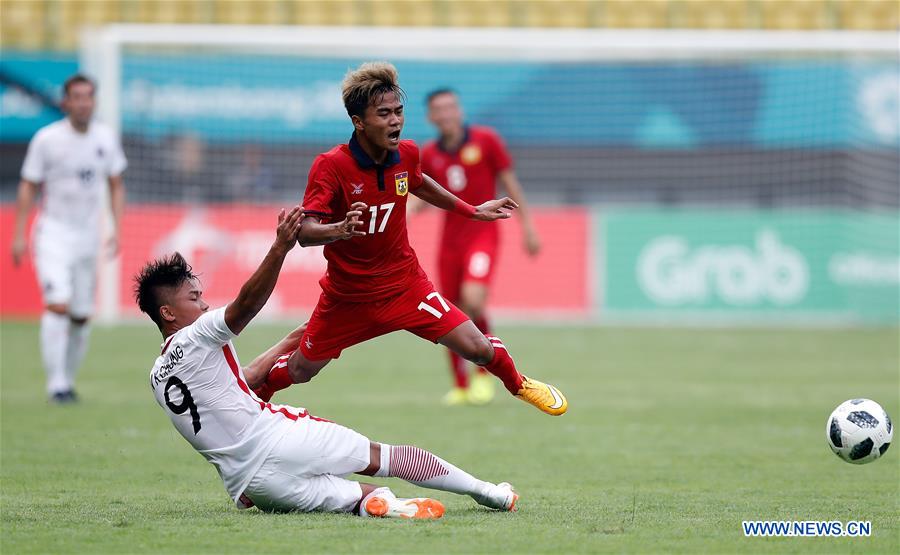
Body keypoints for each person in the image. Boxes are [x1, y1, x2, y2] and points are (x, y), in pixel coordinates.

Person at [135, 207, 518, 517]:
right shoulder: (199, 335)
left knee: (364, 495)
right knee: (383, 458)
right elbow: (247, 305)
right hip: (281, 442)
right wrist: (280, 247)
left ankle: (384, 506)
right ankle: (488, 492)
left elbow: (244, 381)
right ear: (168, 312)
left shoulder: (158, 375)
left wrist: (309, 331)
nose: (203, 304)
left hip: (254, 486)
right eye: (194, 297)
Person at [254, 61, 567, 417]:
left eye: (398, 112)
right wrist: (338, 229)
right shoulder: (331, 165)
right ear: (359, 122)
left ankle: (519, 384)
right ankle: (251, 399)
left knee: (477, 347)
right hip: (349, 297)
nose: (395, 121)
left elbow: (418, 181)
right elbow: (305, 233)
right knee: (300, 370)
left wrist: (471, 210)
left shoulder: (408, 153)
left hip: (406, 287)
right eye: (383, 114)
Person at [418, 88, 542, 406]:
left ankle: (484, 375)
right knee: (449, 310)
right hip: (449, 241)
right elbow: (422, 197)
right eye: (439, 109)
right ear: (431, 117)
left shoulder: (486, 140)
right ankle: (460, 386)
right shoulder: (429, 154)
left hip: (482, 236)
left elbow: (510, 183)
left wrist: (527, 226)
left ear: (459, 110)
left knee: (473, 300)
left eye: (450, 107)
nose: (446, 114)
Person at [11, 74, 127, 403]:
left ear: (94, 101)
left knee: (80, 315)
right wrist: (19, 234)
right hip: (53, 234)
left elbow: (116, 183)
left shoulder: (106, 138)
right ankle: (56, 383)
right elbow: (28, 184)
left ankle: (68, 380)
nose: (83, 102)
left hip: (88, 237)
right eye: (76, 97)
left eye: (88, 96)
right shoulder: (47, 139)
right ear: (65, 102)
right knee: (57, 303)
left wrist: (116, 228)